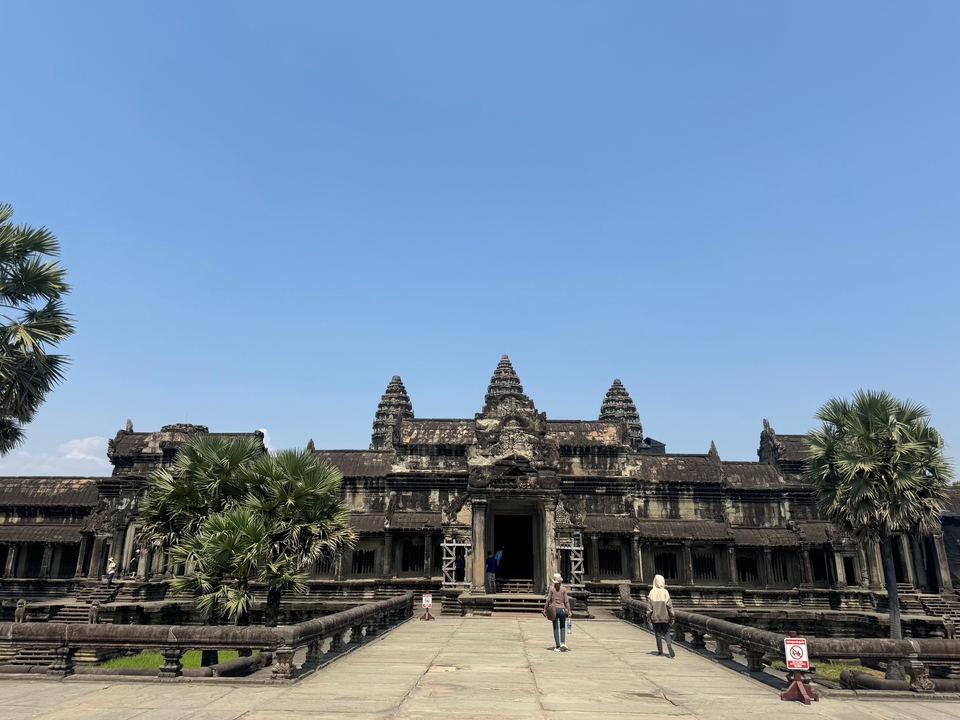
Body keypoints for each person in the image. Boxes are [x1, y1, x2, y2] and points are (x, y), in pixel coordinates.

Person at [646, 574, 675, 658]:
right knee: (666, 632)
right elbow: (669, 606)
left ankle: (660, 651)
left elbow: (649, 606)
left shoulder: (652, 592)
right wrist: (672, 616)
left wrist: (648, 616)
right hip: (665, 615)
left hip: (655, 616)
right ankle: (669, 644)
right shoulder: (665, 592)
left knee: (658, 633)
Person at [542, 572, 572, 652]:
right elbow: (566, 601)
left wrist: (545, 608)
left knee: (555, 628)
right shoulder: (564, 589)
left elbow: (548, 600)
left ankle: (558, 646)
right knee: (562, 626)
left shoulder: (552, 589)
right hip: (562, 610)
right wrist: (569, 610)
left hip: (554, 610)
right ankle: (563, 642)